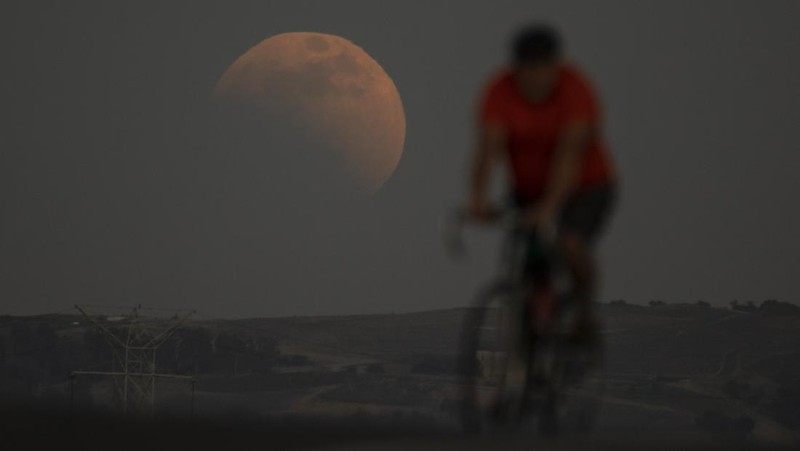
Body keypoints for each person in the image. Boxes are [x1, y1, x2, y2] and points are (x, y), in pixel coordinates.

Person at [467, 24, 616, 339]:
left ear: (555, 66)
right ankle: (532, 330)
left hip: (586, 185)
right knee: (525, 253)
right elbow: (487, 149)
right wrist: (478, 199)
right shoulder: (499, 90)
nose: (535, 77)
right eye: (527, 68)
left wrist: (550, 207)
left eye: (543, 68)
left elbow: (569, 157)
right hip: (528, 187)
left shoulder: (575, 90)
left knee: (569, 243)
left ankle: (583, 311)